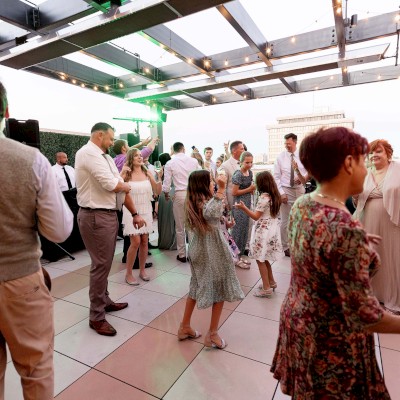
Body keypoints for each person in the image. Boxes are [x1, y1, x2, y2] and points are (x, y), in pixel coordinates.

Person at [271, 126, 400, 399]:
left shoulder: (304, 203)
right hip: (330, 340)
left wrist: (357, 244)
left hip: (300, 321)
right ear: (348, 164)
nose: (366, 168)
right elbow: (364, 315)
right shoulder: (344, 228)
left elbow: (320, 256)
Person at [0, 81, 73, 399]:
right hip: (20, 282)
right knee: (36, 371)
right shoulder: (30, 160)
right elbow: (58, 230)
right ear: (5, 112)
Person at [75, 122, 146, 337]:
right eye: (110, 138)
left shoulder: (104, 156)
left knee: (104, 263)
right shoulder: (87, 153)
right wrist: (123, 185)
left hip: (106, 214)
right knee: (101, 265)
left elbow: (119, 183)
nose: (113, 142)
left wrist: (134, 212)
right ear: (99, 135)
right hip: (95, 215)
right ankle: (96, 316)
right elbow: (112, 184)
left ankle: (104, 301)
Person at [178, 170, 244, 349]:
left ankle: (184, 326)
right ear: (202, 184)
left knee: (196, 284)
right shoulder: (203, 200)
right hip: (211, 248)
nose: (213, 182)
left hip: (201, 248)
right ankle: (212, 334)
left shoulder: (194, 199)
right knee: (220, 286)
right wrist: (221, 189)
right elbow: (210, 213)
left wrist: (225, 222)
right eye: (210, 180)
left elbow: (211, 217)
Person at [354, 139, 400, 313]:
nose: (374, 155)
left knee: (391, 259)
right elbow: (357, 199)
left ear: (388, 154)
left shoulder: (398, 170)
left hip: (393, 223)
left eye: (378, 151)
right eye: (371, 153)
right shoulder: (366, 173)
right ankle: (372, 296)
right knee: (372, 257)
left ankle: (393, 299)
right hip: (369, 222)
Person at [234, 171, 282, 297]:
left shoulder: (263, 198)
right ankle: (271, 282)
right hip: (271, 229)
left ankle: (266, 288)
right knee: (264, 257)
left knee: (260, 260)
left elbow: (256, 216)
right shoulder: (274, 195)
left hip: (263, 230)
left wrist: (244, 208)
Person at [121, 148, 162, 285]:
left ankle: (142, 270)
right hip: (130, 209)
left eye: (140, 155)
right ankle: (128, 273)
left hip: (145, 208)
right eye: (136, 156)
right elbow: (119, 190)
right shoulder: (127, 173)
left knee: (145, 241)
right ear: (131, 158)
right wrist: (122, 173)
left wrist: (159, 178)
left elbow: (157, 191)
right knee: (136, 242)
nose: (139, 157)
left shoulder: (147, 172)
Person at [162, 142, 198, 263]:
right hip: (193, 194)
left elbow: (166, 184)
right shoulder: (193, 161)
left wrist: (167, 194)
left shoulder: (170, 163)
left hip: (180, 194)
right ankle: (193, 254)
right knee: (192, 225)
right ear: (183, 148)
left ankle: (182, 254)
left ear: (173, 150)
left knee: (179, 226)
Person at [273, 133, 308, 257]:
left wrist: (303, 177)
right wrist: (281, 193)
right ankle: (285, 246)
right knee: (285, 220)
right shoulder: (280, 157)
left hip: (300, 190)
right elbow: (276, 177)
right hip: (285, 189)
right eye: (285, 143)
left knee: (300, 218)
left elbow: (310, 170)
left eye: (289, 143)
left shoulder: (303, 155)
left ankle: (297, 242)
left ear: (295, 142)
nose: (287, 145)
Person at [231, 151, 256, 268]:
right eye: (247, 162)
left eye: (251, 162)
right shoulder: (238, 174)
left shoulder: (250, 173)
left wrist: (252, 190)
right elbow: (234, 192)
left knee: (244, 230)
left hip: (246, 204)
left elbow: (250, 188)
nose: (249, 165)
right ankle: (233, 257)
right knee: (237, 230)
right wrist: (249, 189)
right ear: (240, 162)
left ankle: (239, 255)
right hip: (239, 205)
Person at [157, 152, 177, 250]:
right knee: (172, 219)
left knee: (164, 218)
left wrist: (159, 177)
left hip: (163, 193)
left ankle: (164, 241)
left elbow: (159, 183)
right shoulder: (174, 167)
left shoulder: (161, 169)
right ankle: (172, 241)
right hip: (173, 193)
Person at [220, 140, 245, 207]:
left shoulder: (244, 164)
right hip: (232, 203)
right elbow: (223, 187)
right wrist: (226, 203)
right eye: (242, 149)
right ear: (234, 151)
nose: (244, 151)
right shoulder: (225, 166)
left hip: (245, 203)